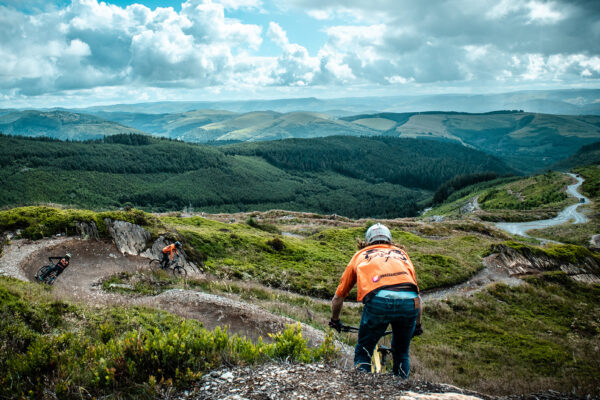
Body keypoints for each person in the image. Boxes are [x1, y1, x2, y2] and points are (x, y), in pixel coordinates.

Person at [329, 223, 423, 378]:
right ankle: (402, 389)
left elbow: (339, 297)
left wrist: (335, 320)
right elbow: (417, 297)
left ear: (367, 241)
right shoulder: (402, 254)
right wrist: (417, 325)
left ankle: (363, 388)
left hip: (379, 301)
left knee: (364, 351)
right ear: (389, 240)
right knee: (401, 353)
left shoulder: (360, 255)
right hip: (409, 302)